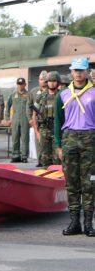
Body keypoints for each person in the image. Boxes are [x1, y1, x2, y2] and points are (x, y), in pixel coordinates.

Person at [55, 58, 95, 237]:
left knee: (90, 182)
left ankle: (88, 223)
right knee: (71, 182)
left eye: (81, 70)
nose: (78, 73)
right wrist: (57, 144)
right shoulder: (63, 94)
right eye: (75, 70)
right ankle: (74, 222)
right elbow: (58, 121)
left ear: (87, 72)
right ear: (71, 72)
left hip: (90, 138)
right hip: (69, 137)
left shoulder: (93, 92)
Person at [33, 71, 61, 167]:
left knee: (57, 158)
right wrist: (37, 132)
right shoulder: (41, 96)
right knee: (45, 158)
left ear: (58, 82)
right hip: (44, 130)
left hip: (58, 130)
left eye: (54, 81)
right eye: (49, 81)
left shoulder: (62, 96)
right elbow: (34, 114)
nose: (51, 83)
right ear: (46, 82)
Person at [5, 78, 30, 163]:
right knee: (15, 137)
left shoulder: (28, 95)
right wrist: (7, 118)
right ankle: (15, 155)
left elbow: (32, 107)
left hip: (25, 119)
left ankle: (24, 156)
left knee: (25, 138)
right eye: (18, 84)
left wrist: (31, 119)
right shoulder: (13, 95)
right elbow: (7, 106)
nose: (20, 86)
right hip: (15, 118)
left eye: (21, 84)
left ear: (25, 84)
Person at [28, 71, 48, 167]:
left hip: (48, 120)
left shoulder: (51, 91)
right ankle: (40, 160)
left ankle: (48, 160)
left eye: (44, 79)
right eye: (40, 79)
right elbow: (29, 106)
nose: (42, 81)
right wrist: (30, 119)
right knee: (38, 140)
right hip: (37, 120)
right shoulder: (33, 91)